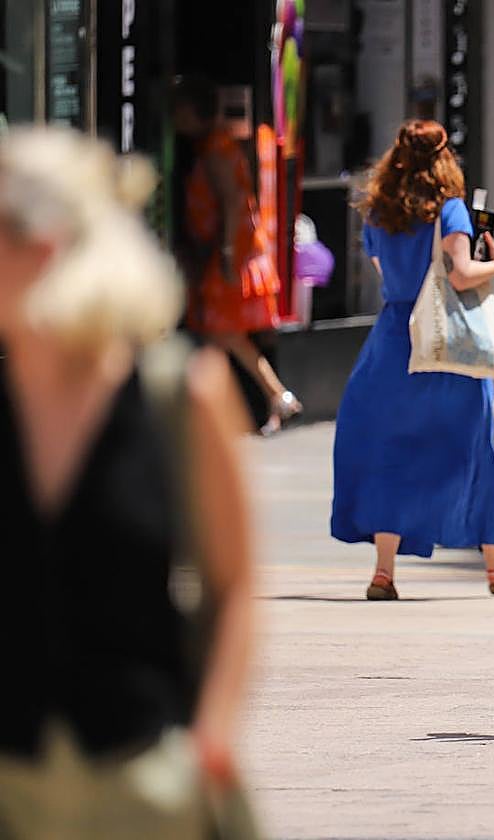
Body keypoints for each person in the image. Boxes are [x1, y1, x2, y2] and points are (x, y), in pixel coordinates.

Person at [0, 128, 256, 836]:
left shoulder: (180, 395)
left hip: (140, 782)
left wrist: (211, 746)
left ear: (44, 246)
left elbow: (233, 587)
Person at [331, 119, 494, 599]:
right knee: (471, 450)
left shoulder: (378, 212)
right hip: (446, 349)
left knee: (392, 453)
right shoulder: (450, 211)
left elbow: (389, 276)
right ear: (445, 158)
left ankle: (383, 573)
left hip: (392, 342)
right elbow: (463, 274)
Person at [173, 74, 302, 435]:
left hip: (230, 251)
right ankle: (272, 398)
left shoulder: (215, 149)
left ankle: (274, 395)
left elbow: (233, 201)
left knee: (221, 330)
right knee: (221, 333)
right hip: (228, 249)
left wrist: (228, 253)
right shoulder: (218, 146)